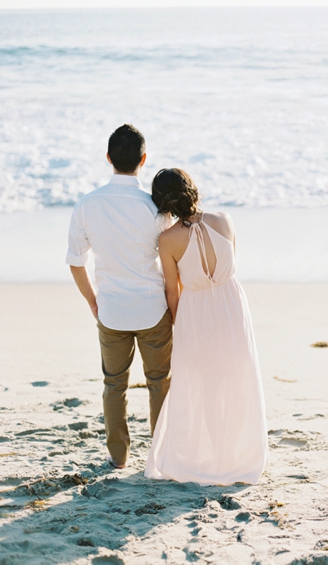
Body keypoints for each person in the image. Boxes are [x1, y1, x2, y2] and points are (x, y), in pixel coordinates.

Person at [145, 168, 267, 486]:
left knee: (208, 385)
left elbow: (172, 290)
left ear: (164, 204)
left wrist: (178, 323)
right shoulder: (224, 220)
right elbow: (228, 266)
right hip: (231, 304)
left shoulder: (167, 240)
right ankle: (235, 454)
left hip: (195, 311)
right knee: (235, 379)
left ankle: (215, 456)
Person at [66, 124, 173, 469]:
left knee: (114, 384)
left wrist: (92, 300)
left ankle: (119, 457)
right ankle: (159, 454)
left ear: (109, 158)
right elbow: (174, 260)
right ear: (144, 159)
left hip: (110, 310)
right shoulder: (155, 208)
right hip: (154, 310)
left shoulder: (88, 204)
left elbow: (75, 261)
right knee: (159, 382)